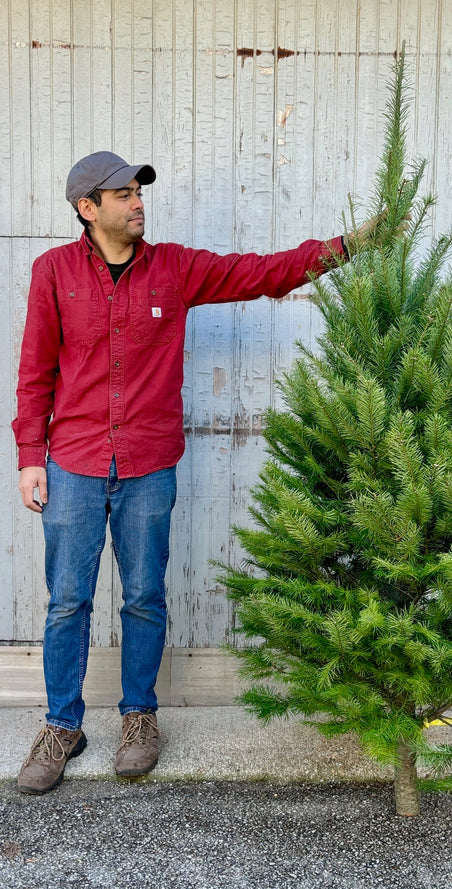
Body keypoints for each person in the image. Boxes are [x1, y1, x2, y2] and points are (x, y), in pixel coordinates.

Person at [12, 150, 365, 794]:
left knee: (145, 597)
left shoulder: (173, 268)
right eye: (122, 195)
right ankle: (63, 725)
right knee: (68, 602)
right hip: (74, 463)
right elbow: (36, 372)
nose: (138, 203)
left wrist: (345, 247)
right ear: (87, 210)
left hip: (149, 463)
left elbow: (261, 273)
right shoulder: (52, 273)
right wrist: (30, 457)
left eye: (139, 192)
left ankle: (139, 718)